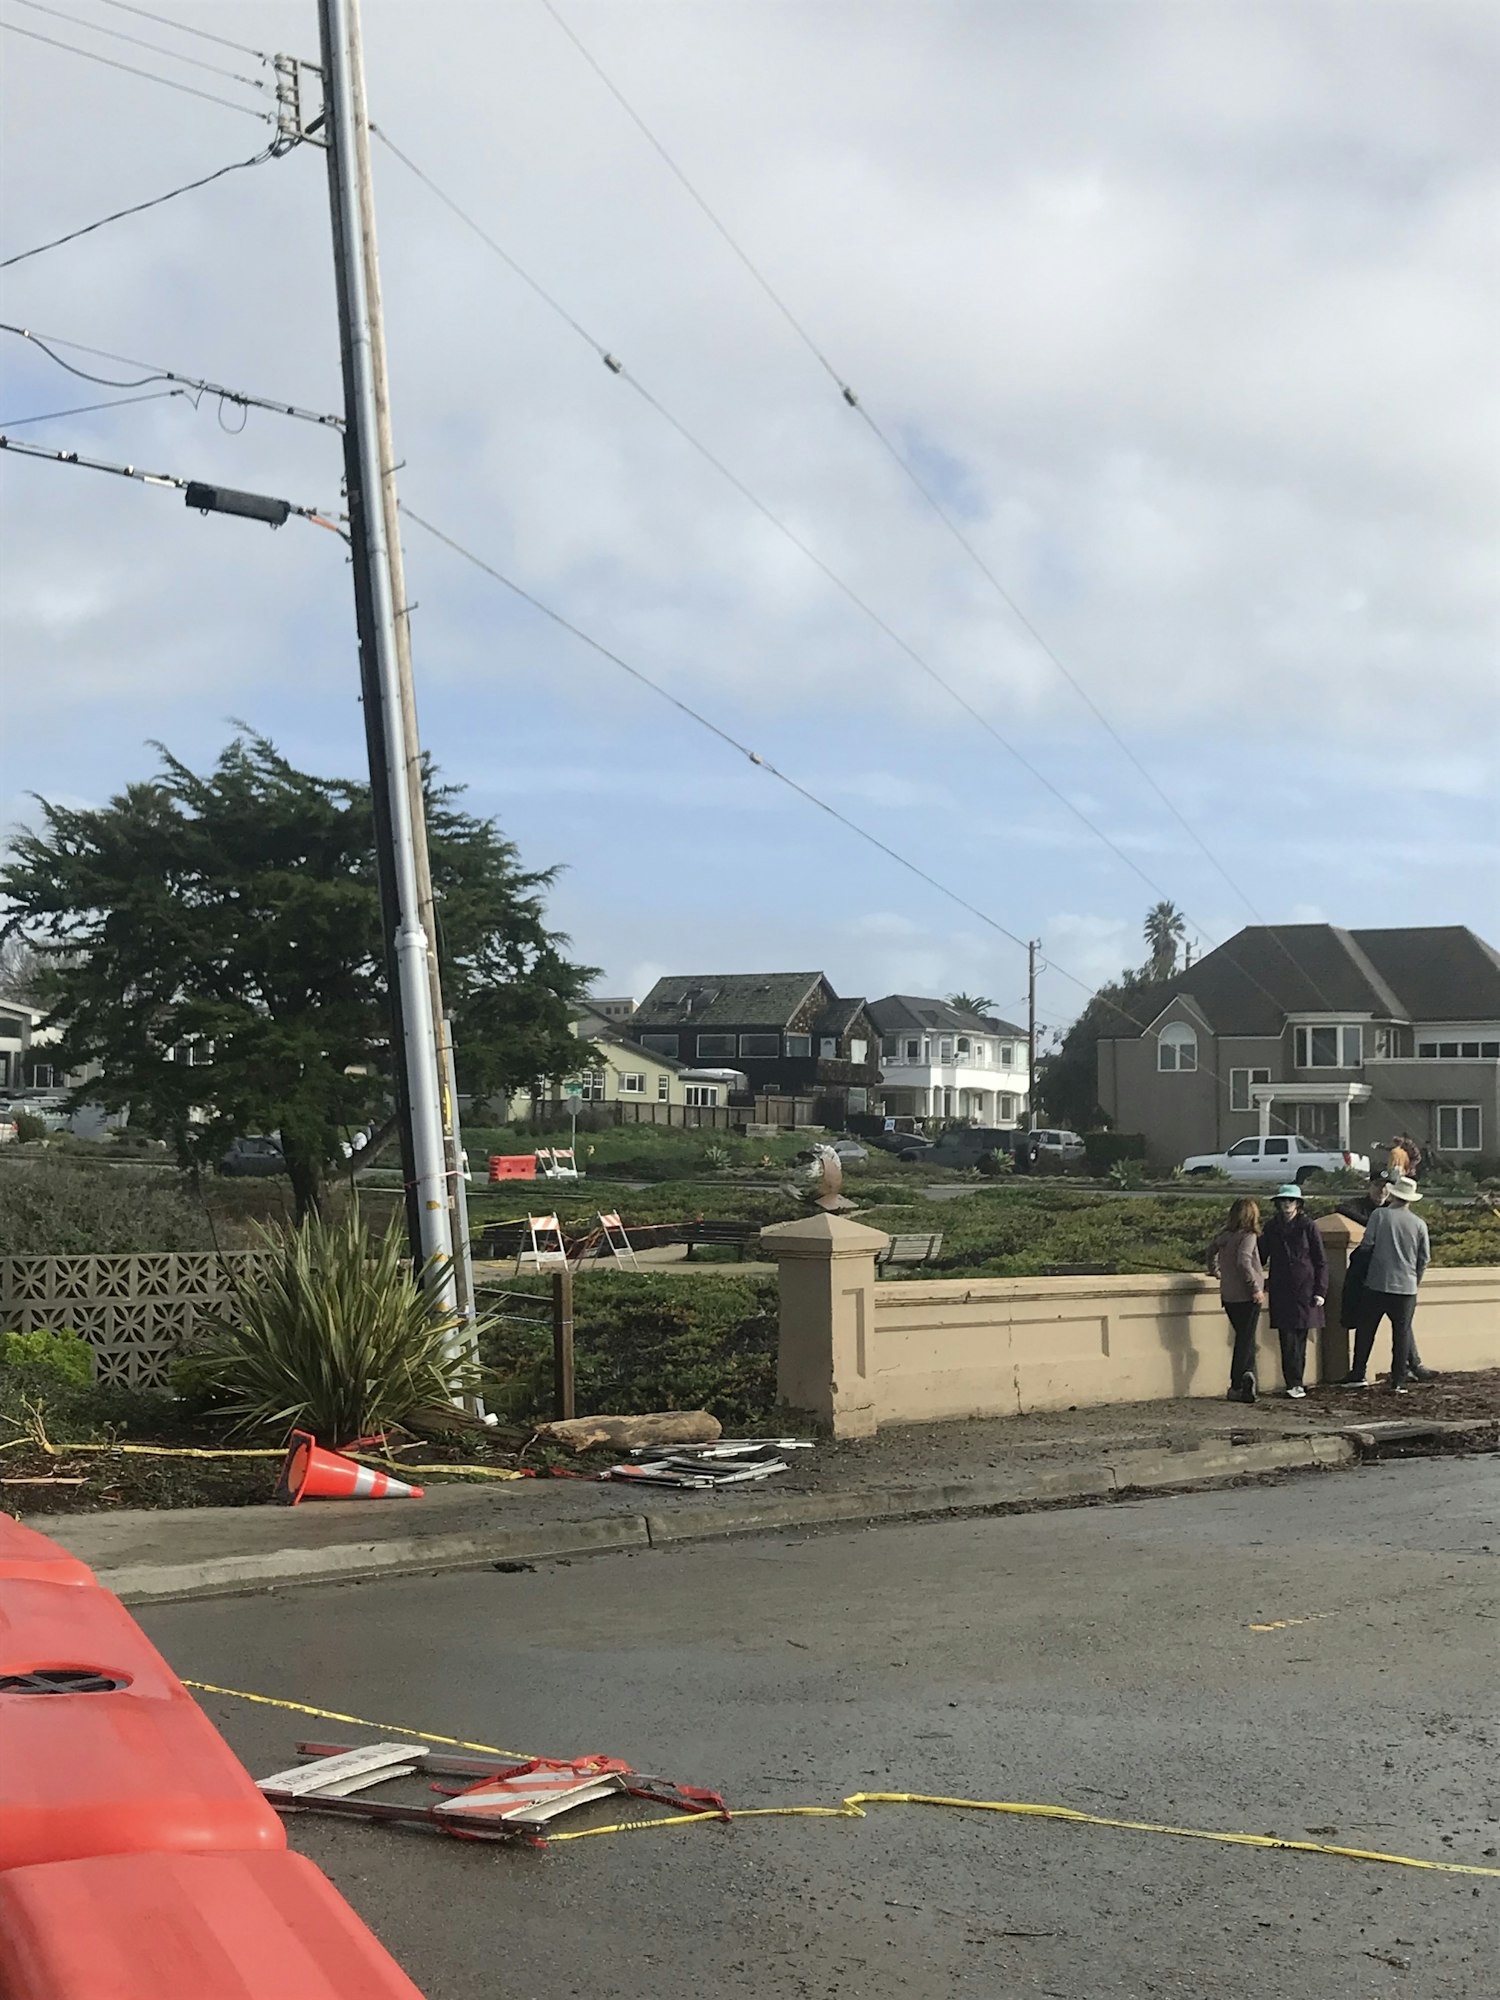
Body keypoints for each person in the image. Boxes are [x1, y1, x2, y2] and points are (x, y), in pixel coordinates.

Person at [1336, 1172, 1437, 1382]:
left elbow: (1366, 1246)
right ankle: (1399, 1379)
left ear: (1392, 1194)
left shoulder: (1379, 1216)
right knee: (1401, 1334)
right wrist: (1414, 1279)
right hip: (1406, 1287)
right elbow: (1424, 1258)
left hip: (1377, 1283)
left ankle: (1358, 1374)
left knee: (1365, 1331)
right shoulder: (1419, 1224)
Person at [1258, 1184, 1327, 1398]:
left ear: (1297, 1203)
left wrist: (1320, 1290)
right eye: (1283, 1201)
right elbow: (1260, 1256)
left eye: (1291, 1201)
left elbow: (1320, 1261)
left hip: (1305, 1290)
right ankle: (1292, 1382)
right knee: (1286, 1338)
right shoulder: (1271, 1227)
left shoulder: (1308, 1226)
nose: (1287, 1204)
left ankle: (1297, 1382)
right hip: (1281, 1289)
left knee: (1300, 1337)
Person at [1209, 1196, 1266, 1404]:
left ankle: (1243, 1378)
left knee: (1244, 1337)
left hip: (1229, 1295)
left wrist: (1215, 1270)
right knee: (1246, 1338)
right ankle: (1241, 1379)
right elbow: (1244, 1261)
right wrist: (1255, 1288)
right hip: (1246, 1295)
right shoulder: (1248, 1236)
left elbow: (1210, 1250)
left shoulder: (1224, 1235)